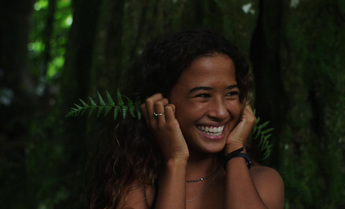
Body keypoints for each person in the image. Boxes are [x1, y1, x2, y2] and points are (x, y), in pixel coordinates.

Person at [88, 29, 284, 209]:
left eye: (231, 94)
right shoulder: (133, 185)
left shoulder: (263, 181)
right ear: (161, 102)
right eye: (203, 95)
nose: (221, 112)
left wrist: (235, 152)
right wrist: (175, 160)